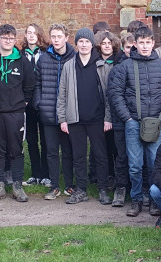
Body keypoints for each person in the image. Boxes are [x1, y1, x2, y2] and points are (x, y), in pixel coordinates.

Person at [108, 27, 161, 217]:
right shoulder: (125, 66)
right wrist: (128, 118)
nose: (145, 46)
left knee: (155, 164)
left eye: (148, 42)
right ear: (135, 44)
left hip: (156, 122)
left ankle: (154, 199)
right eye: (142, 42)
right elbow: (116, 95)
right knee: (135, 165)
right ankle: (136, 199)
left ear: (153, 43)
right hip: (133, 122)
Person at [57, 28, 111, 205]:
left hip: (97, 118)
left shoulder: (102, 65)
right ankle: (81, 189)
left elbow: (109, 94)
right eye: (80, 41)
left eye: (87, 41)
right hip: (75, 119)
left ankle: (103, 188)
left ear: (92, 44)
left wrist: (108, 118)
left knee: (101, 155)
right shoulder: (69, 66)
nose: (84, 45)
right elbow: (62, 93)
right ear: (76, 43)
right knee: (78, 156)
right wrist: (62, 118)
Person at [0, 24, 35, 204]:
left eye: (11, 38)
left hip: (15, 112)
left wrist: (24, 101)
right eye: (5, 38)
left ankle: (17, 185)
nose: (8, 41)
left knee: (16, 149)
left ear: (15, 40)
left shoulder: (22, 61)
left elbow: (30, 84)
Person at [34, 23, 76, 200]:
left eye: (60, 36)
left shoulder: (74, 57)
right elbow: (36, 83)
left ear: (66, 38)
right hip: (49, 112)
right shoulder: (44, 58)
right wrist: (39, 103)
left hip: (69, 114)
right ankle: (54, 186)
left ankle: (69, 184)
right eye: (54, 37)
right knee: (51, 151)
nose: (56, 40)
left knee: (68, 151)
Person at [97, 30, 129, 205]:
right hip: (107, 113)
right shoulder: (109, 65)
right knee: (110, 150)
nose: (107, 46)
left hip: (121, 115)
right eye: (104, 43)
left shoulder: (118, 63)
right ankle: (113, 181)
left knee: (122, 153)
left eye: (110, 43)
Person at [21, 23, 50, 187]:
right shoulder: (20, 54)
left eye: (34, 33)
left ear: (39, 35)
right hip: (27, 102)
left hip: (43, 100)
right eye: (28, 33)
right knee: (31, 139)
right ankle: (35, 173)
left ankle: (46, 174)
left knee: (46, 139)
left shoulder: (46, 53)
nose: (31, 36)